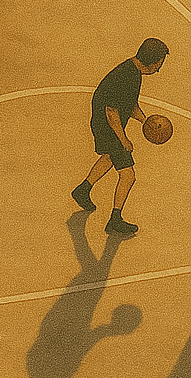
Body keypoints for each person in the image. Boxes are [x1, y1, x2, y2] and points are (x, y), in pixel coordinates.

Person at [71, 38, 169, 237]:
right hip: (107, 125)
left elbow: (129, 104)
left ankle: (82, 190)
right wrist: (123, 140)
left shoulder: (134, 71)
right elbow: (112, 111)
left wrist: (145, 121)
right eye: (159, 64)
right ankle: (115, 219)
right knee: (128, 174)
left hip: (106, 123)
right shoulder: (126, 76)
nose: (158, 70)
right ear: (153, 61)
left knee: (108, 157)